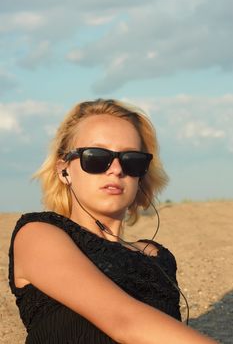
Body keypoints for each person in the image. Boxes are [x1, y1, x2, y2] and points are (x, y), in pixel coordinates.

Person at [9, 99, 217, 343]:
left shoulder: (156, 256)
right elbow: (123, 321)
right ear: (64, 170)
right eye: (96, 157)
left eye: (132, 160)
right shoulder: (39, 234)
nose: (117, 169)